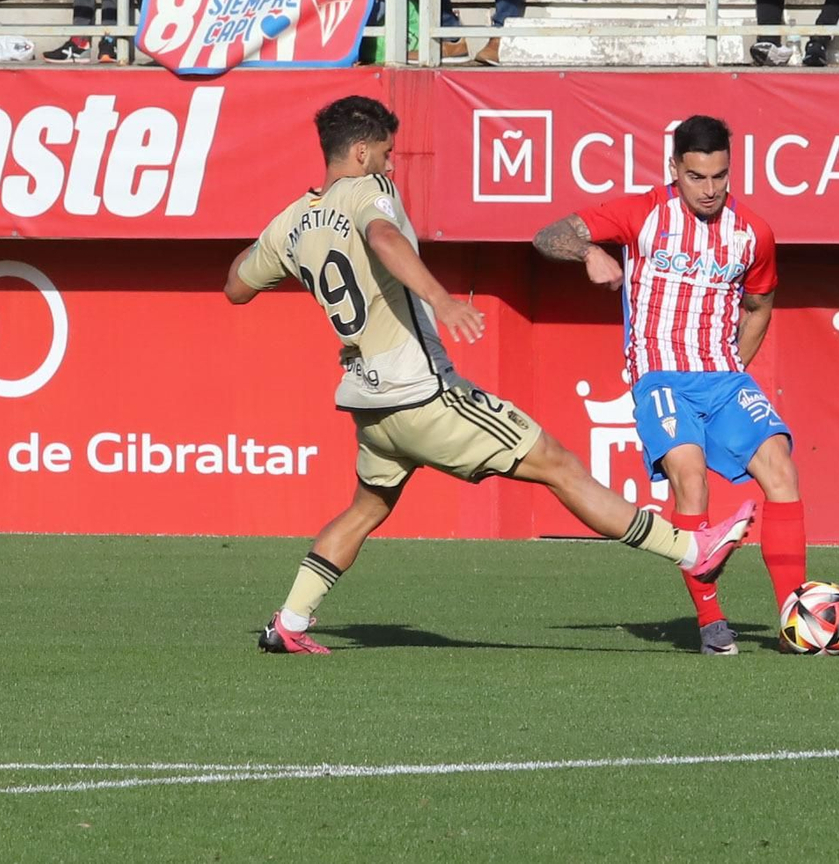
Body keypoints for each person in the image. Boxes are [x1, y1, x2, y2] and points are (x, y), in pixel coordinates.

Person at [227, 97, 756, 656]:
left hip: (370, 406)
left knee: (367, 508)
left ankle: (289, 621)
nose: (391, 164)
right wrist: (441, 299)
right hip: (422, 394)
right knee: (558, 464)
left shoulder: (292, 221)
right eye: (386, 153)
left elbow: (236, 285)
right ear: (361, 153)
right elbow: (382, 237)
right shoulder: (369, 190)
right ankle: (690, 550)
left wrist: (281, 247)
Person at [532, 115, 839, 658]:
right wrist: (589, 252)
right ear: (674, 169)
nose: (709, 189)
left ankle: (794, 622)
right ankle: (710, 621)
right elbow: (547, 235)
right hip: (660, 375)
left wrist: (734, 366)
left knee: (781, 468)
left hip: (724, 376)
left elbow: (759, 305)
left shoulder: (753, 233)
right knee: (691, 478)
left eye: (720, 176)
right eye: (696, 176)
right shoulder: (641, 213)